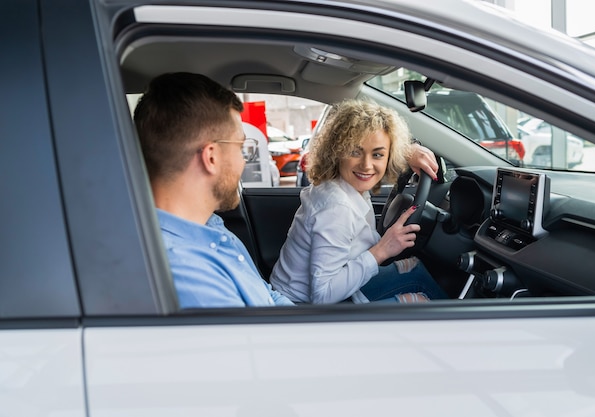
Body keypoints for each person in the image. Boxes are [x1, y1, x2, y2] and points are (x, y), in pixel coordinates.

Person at [134, 72, 294, 308]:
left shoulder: (211, 226)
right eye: (240, 148)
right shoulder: (185, 271)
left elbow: (270, 297)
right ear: (211, 157)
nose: (243, 162)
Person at [270, 99, 449, 304]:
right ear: (337, 151)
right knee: (419, 301)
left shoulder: (341, 183)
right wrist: (382, 250)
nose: (366, 165)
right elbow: (322, 296)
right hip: (306, 310)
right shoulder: (336, 208)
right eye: (355, 152)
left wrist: (407, 151)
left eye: (378, 154)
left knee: (414, 268)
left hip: (325, 291)